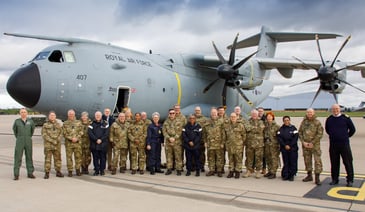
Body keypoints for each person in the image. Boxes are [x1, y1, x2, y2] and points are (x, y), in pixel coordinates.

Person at [325, 104, 356, 187]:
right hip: (333, 144)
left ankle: (350, 180)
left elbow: (352, 129)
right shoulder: (329, 119)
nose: (335, 110)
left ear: (340, 109)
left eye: (337, 109)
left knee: (348, 162)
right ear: (332, 110)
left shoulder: (345, 118)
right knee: (334, 162)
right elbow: (327, 130)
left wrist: (345, 136)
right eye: (334, 109)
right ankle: (334, 179)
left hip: (344, 144)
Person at [299, 108, 324, 185]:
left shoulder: (317, 122)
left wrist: (312, 142)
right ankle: (309, 175)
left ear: (313, 113)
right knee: (307, 160)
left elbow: (320, 134)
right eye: (308, 112)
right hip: (305, 145)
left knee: (317, 161)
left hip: (315, 145)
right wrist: (303, 142)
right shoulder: (304, 122)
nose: (309, 114)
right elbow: (300, 132)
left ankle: (317, 177)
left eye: (311, 112)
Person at [12, 108, 36, 180]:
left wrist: (28, 137)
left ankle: (30, 173)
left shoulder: (30, 121)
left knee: (29, 156)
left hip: (28, 140)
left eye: (24, 112)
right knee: (18, 157)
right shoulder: (17, 122)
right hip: (20, 140)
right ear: (20, 113)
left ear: (27, 113)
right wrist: (19, 137)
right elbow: (15, 130)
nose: (23, 113)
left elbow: (32, 130)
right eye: (22, 112)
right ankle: (16, 174)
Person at [41, 111, 64, 179]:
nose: (52, 117)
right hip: (48, 145)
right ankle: (47, 173)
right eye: (51, 115)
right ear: (49, 117)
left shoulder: (58, 125)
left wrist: (57, 140)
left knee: (58, 159)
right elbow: (44, 134)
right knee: (48, 159)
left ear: (55, 117)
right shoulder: (45, 125)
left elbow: (61, 133)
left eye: (53, 115)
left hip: (57, 145)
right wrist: (52, 140)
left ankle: (58, 171)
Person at [224, 113, 247, 179]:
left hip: (238, 145)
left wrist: (241, 142)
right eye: (231, 117)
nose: (233, 118)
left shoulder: (240, 125)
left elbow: (244, 135)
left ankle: (237, 171)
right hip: (230, 145)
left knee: (238, 159)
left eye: (234, 117)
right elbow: (225, 135)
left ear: (237, 117)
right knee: (231, 159)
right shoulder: (227, 125)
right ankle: (231, 171)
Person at [204, 108, 225, 177]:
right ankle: (211, 170)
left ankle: (219, 171)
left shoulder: (221, 121)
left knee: (219, 158)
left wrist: (222, 142)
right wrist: (205, 142)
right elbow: (204, 133)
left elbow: (223, 133)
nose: (213, 114)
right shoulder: (207, 122)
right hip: (210, 143)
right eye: (212, 113)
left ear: (217, 113)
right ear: (211, 113)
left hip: (218, 143)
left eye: (215, 112)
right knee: (210, 158)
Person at [243, 109, 265, 179]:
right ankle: (249, 170)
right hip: (249, 143)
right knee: (249, 158)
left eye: (255, 114)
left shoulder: (261, 122)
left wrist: (252, 129)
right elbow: (247, 128)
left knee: (258, 158)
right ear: (251, 114)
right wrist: (255, 128)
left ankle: (258, 171)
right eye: (253, 114)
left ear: (258, 114)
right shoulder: (248, 121)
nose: (254, 115)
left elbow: (260, 129)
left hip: (259, 144)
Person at [162, 108, 184, 176]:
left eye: (173, 113)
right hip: (168, 142)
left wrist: (174, 138)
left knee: (178, 156)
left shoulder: (179, 121)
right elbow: (164, 131)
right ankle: (169, 169)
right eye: (170, 113)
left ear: (175, 114)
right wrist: (169, 138)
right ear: (169, 114)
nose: (171, 114)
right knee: (169, 156)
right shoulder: (166, 122)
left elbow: (180, 131)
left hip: (177, 142)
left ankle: (179, 169)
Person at [277, 116, 299, 181]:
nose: (286, 121)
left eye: (287, 120)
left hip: (292, 148)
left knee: (292, 162)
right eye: (285, 120)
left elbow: (296, 138)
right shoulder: (281, 129)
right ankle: (286, 175)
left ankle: (291, 175)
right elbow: (279, 138)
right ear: (283, 121)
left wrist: (290, 145)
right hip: (284, 148)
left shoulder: (293, 128)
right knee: (286, 162)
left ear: (289, 120)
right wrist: (284, 145)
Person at [62, 109, 83, 177]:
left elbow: (81, 132)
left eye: (72, 114)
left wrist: (77, 138)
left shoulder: (79, 122)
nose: (71, 115)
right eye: (70, 114)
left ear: (74, 115)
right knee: (69, 158)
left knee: (78, 157)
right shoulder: (65, 123)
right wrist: (71, 138)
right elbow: (64, 133)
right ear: (68, 115)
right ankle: (70, 171)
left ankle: (78, 170)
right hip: (69, 144)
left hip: (77, 143)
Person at [88, 111, 110, 176]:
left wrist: (101, 139)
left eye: (99, 115)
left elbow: (106, 133)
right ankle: (96, 170)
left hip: (103, 144)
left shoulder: (105, 123)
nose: (98, 116)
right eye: (96, 115)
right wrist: (96, 139)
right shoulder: (91, 123)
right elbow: (90, 133)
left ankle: (102, 170)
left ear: (101, 116)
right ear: (95, 116)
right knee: (95, 158)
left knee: (103, 158)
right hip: (94, 144)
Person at [263, 112, 280, 179]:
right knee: (268, 158)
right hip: (267, 145)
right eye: (268, 116)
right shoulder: (265, 126)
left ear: (273, 117)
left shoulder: (276, 126)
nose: (269, 117)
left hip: (274, 145)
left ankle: (274, 172)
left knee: (274, 159)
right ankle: (270, 171)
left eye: (270, 116)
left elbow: (279, 136)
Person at [193, 106, 207, 172]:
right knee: (194, 153)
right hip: (193, 140)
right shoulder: (191, 118)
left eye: (198, 110)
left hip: (201, 140)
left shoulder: (204, 119)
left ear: (200, 111)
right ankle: (194, 166)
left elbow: (206, 130)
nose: (197, 111)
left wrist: (205, 140)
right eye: (196, 110)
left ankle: (201, 166)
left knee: (201, 154)